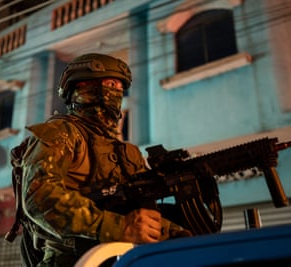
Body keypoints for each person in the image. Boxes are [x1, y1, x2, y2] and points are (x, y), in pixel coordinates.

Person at [10, 53, 192, 266]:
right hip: (71, 260)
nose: (110, 91)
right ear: (77, 88)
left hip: (121, 256)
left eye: (116, 85)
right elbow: (40, 198)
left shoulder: (126, 152)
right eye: (103, 83)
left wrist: (172, 228)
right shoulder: (61, 133)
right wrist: (118, 227)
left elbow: (140, 211)